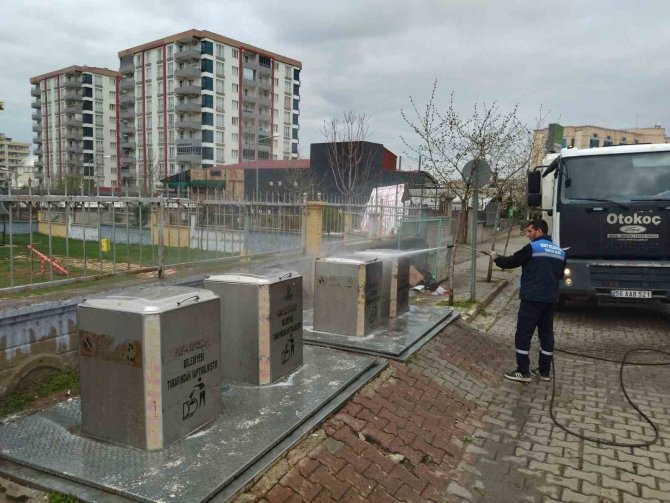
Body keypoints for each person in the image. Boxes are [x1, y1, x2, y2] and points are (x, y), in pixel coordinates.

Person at [489, 219, 566, 382]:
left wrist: (496, 258)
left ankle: (523, 371)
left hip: (531, 299)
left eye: (529, 231)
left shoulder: (532, 248)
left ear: (539, 231)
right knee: (546, 335)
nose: (527, 234)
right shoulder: (560, 252)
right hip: (550, 300)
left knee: (524, 334)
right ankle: (545, 371)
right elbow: (560, 275)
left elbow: (512, 262)